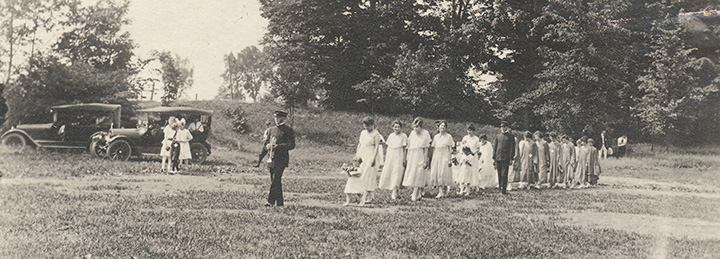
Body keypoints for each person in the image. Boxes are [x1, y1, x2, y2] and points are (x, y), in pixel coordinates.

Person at [263, 111, 296, 207]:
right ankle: (280, 203)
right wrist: (267, 146)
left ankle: (270, 201)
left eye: (279, 118)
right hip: (271, 158)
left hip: (281, 159)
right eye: (275, 118)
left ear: (283, 119)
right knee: (275, 181)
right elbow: (265, 144)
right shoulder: (271, 130)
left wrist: (278, 146)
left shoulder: (288, 130)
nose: (277, 120)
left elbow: (291, 145)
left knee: (276, 179)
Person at [354, 117, 385, 205]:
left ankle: (365, 196)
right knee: (361, 173)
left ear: (372, 125)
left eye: (368, 125)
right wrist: (357, 155)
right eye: (365, 125)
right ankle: (370, 195)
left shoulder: (376, 134)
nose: (366, 127)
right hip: (362, 154)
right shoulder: (363, 133)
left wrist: (373, 158)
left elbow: (376, 147)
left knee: (368, 175)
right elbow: (359, 144)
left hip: (371, 154)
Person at [402, 117, 432, 201]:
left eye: (417, 127)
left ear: (421, 126)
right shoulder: (412, 133)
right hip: (412, 155)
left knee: (419, 173)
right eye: (414, 127)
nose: (415, 129)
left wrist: (426, 160)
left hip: (420, 155)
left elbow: (426, 148)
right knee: (413, 173)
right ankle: (416, 192)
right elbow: (409, 147)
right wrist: (407, 158)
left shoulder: (425, 133)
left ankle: (416, 193)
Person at [378, 120, 408, 200]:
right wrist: (386, 158)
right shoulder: (391, 136)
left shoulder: (404, 136)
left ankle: (395, 191)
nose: (397, 128)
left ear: (401, 128)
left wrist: (404, 158)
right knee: (391, 171)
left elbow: (405, 148)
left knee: (398, 172)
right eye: (395, 127)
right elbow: (388, 148)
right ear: (392, 128)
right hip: (391, 155)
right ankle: (393, 190)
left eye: (398, 127)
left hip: (399, 155)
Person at [428, 120, 454, 198]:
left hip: (445, 155)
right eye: (441, 126)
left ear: (446, 128)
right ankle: (440, 191)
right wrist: (432, 158)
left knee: (443, 172)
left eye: (444, 126)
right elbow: (433, 148)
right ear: (438, 127)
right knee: (437, 173)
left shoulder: (448, 136)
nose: (442, 127)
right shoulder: (436, 137)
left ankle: (445, 189)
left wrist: (450, 159)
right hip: (437, 155)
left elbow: (450, 148)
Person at [493, 121, 515, 195]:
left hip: (506, 158)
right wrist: (494, 157)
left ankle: (504, 190)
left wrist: (511, 158)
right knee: (499, 174)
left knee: (504, 174)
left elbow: (512, 148)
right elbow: (495, 147)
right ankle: (500, 188)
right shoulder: (498, 136)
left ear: (507, 127)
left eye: (504, 127)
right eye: (501, 127)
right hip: (498, 157)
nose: (502, 128)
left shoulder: (510, 137)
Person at [461, 124, 481, 194]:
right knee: (465, 172)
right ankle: (464, 188)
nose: (469, 132)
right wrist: (465, 153)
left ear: (473, 131)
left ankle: (470, 187)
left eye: (471, 130)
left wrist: (472, 153)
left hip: (472, 157)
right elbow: (462, 146)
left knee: (471, 172)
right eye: (468, 130)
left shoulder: (476, 139)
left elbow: (478, 149)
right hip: (466, 156)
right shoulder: (465, 138)